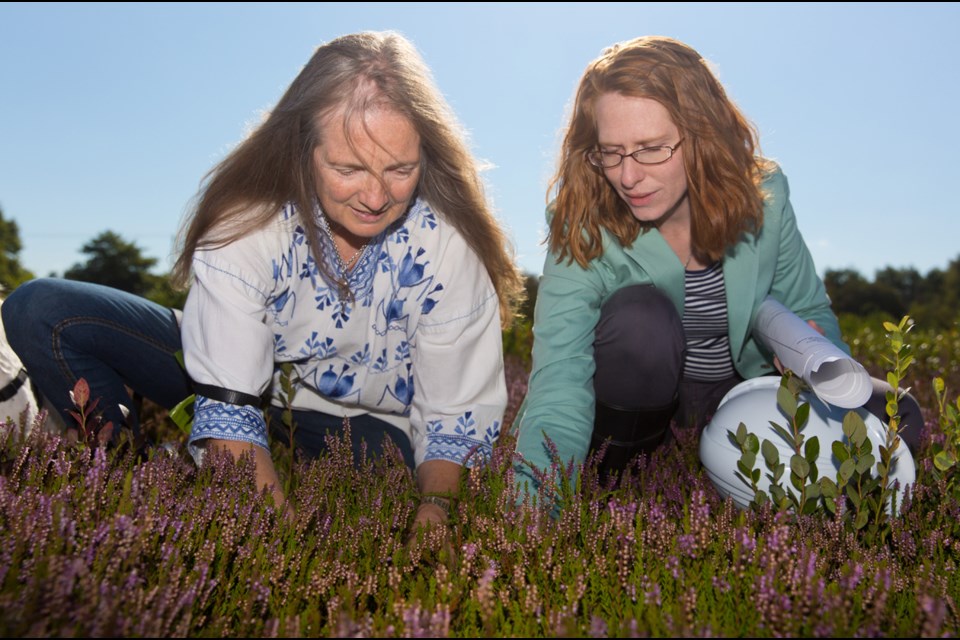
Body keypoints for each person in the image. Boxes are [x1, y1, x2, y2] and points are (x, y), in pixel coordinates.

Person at [3, 31, 525, 533]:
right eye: (348, 168)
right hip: (235, 387)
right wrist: (280, 542)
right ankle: (115, 478)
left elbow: (455, 417)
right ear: (302, 149)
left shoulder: (449, 249)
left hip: (364, 425)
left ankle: (193, 471)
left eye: (399, 169)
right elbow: (231, 409)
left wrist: (436, 506)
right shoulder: (246, 223)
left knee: (382, 479)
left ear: (425, 154)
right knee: (41, 308)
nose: (374, 195)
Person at [512, 36, 923, 496]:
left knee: (898, 416)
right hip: (637, 403)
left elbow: (808, 306)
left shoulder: (765, 197)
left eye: (651, 147)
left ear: (702, 135)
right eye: (611, 151)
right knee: (640, 320)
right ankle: (625, 473)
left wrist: (818, 354)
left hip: (740, 388)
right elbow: (559, 373)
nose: (627, 176)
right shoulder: (583, 221)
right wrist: (534, 506)